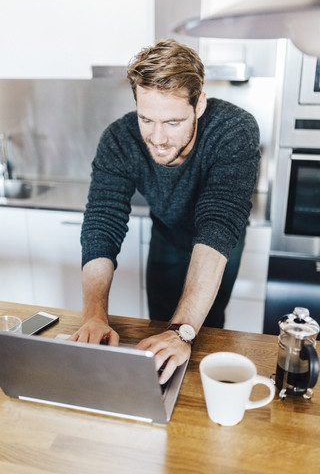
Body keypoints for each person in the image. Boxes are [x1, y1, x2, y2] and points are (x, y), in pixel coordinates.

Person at [69, 39, 260, 385]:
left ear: (199, 105)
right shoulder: (119, 139)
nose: (157, 138)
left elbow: (218, 222)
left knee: (202, 326)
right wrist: (93, 316)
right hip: (166, 234)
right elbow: (102, 221)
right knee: (160, 323)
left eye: (172, 122)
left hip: (220, 243)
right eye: (147, 119)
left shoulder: (234, 130)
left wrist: (183, 331)